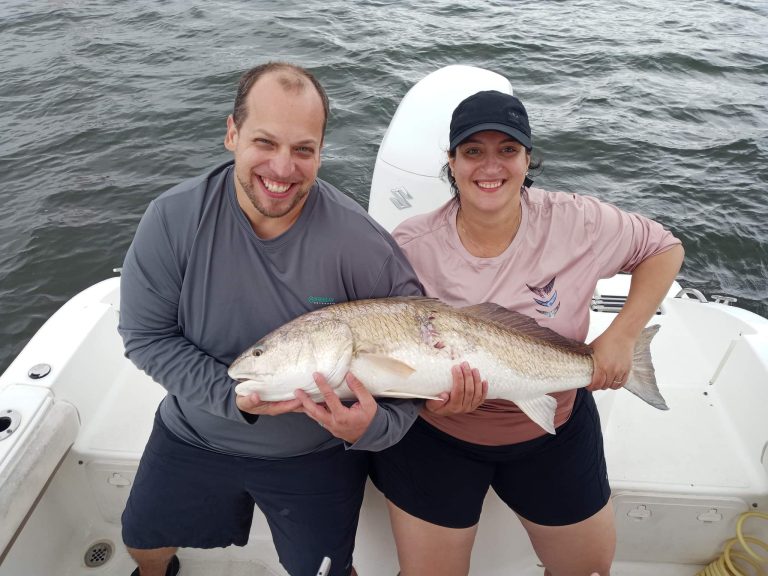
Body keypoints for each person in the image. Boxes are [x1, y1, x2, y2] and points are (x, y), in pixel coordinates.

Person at [117, 62, 429, 576]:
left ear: (320, 152)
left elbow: (418, 363)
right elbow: (147, 337)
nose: (283, 168)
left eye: (303, 149)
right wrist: (228, 397)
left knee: (326, 569)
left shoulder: (362, 246)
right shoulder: (172, 219)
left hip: (314, 454)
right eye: (265, 142)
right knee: (143, 541)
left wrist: (372, 426)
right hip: (193, 431)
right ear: (232, 133)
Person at [369, 89, 685, 576]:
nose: (490, 166)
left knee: (590, 571)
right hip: (439, 436)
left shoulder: (578, 221)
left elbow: (663, 248)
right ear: (451, 162)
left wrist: (623, 334)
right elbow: (390, 349)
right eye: (473, 151)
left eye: (507, 150)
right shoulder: (410, 246)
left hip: (553, 426)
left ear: (528, 158)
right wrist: (426, 400)